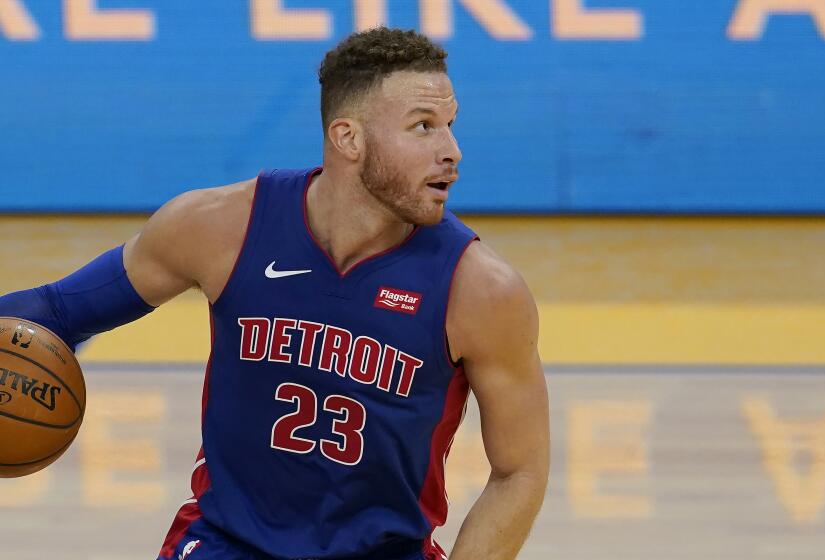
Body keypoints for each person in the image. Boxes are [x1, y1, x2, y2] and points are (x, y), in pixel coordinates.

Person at [0, 27, 549, 560]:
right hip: (224, 544)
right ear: (348, 138)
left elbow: (519, 470)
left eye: (450, 124)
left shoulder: (480, 290)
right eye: (423, 126)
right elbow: (57, 311)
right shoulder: (220, 227)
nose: (451, 150)